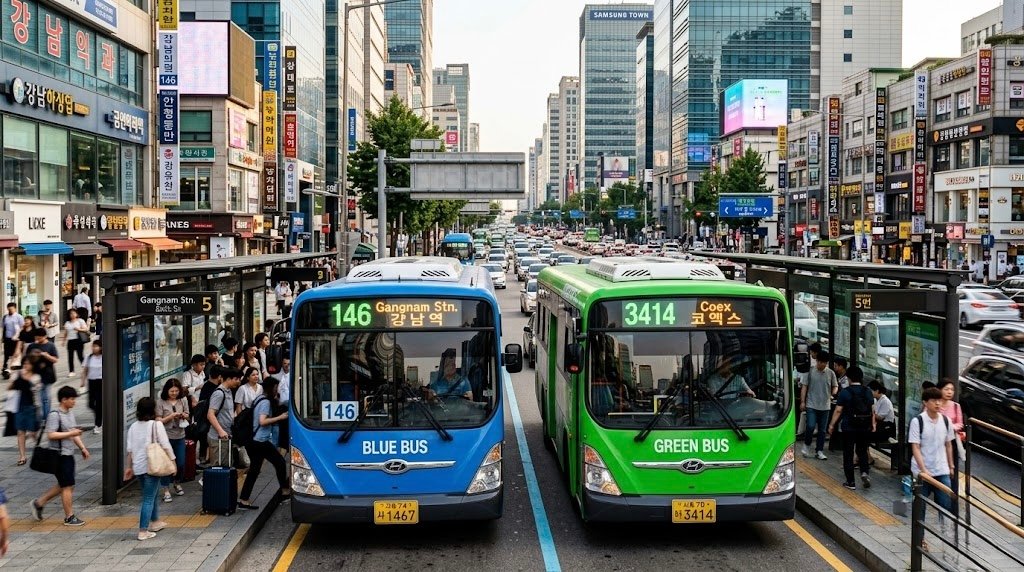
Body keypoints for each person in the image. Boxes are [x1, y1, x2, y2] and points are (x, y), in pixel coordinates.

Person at [30, 386, 89, 527]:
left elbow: (73, 431)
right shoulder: (54, 415)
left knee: (66, 485)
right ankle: (69, 517)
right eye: (72, 399)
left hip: (68, 454)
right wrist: (71, 434)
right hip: (59, 455)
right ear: (64, 400)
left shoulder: (69, 413)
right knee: (67, 485)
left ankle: (39, 503)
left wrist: (82, 447)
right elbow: (51, 434)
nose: (74, 402)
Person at [909, 386, 956, 544]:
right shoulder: (918, 421)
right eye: (933, 400)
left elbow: (948, 444)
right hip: (922, 472)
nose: (937, 403)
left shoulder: (946, 421)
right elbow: (915, 447)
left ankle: (946, 535)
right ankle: (920, 539)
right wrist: (923, 470)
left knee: (945, 503)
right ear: (925, 402)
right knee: (920, 507)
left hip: (941, 470)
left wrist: (951, 467)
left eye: (939, 400)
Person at [124, 397, 173, 541]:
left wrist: (128, 467)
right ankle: (143, 530)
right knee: (148, 498)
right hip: (152, 465)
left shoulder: (133, 426)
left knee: (152, 494)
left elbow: (130, 450)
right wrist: (173, 461)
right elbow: (165, 444)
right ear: (153, 410)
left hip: (139, 467)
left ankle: (156, 522)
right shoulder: (156, 425)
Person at [238, 377, 291, 510]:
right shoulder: (265, 402)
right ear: (271, 388)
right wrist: (280, 417)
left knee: (254, 470)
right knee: (280, 463)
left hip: (254, 441)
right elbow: (262, 421)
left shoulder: (259, 398)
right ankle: (285, 491)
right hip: (260, 441)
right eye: (275, 387)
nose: (277, 390)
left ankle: (243, 500)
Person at [828, 366, 875, 490]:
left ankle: (850, 482)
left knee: (848, 453)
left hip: (849, 427)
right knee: (862, 451)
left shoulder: (845, 392)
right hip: (864, 427)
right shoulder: (868, 391)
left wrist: (832, 425)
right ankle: (865, 472)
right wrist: (873, 424)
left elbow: (838, 410)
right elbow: (872, 410)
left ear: (848, 378)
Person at [800, 351, 839, 460]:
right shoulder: (810, 372)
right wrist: (803, 401)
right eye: (821, 362)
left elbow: (835, 386)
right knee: (811, 426)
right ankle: (807, 445)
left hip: (825, 406)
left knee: (822, 430)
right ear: (817, 361)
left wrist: (832, 394)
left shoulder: (830, 373)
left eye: (825, 363)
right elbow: (804, 387)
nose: (823, 365)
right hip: (811, 404)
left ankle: (819, 450)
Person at [156, 379, 189, 502]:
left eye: (176, 391)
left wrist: (184, 415)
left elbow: (187, 413)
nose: (174, 393)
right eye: (171, 391)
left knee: (180, 462)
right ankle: (165, 489)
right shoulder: (161, 402)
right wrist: (170, 417)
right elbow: (158, 419)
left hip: (180, 435)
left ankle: (176, 482)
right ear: (166, 391)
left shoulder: (183, 400)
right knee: (167, 464)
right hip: (166, 436)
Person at [207, 367, 242, 467]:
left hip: (226, 436)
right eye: (236, 379)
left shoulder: (229, 391)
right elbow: (210, 414)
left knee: (226, 466)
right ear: (228, 379)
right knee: (218, 468)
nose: (238, 382)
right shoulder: (219, 393)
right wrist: (220, 431)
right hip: (217, 438)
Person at [10, 358, 41, 465]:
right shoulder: (18, 375)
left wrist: (25, 379)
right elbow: (10, 388)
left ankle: (38, 447)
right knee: (20, 432)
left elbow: (36, 390)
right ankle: (22, 456)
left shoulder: (36, 377)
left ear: (33, 365)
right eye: (24, 364)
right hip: (20, 406)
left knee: (33, 432)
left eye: (28, 363)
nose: (26, 366)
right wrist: (15, 378)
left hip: (32, 407)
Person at [26, 327, 59, 417]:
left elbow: (55, 359)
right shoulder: (32, 346)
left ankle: (46, 417)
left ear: (45, 336)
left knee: (46, 398)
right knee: (37, 399)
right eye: (36, 338)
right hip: (35, 376)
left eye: (40, 338)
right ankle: (40, 417)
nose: (38, 340)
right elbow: (26, 360)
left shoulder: (50, 345)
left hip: (48, 375)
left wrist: (46, 355)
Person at [80, 340, 103, 434]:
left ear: (101, 347)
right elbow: (85, 369)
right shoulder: (88, 357)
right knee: (90, 404)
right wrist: (82, 381)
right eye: (93, 346)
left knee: (98, 403)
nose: (94, 348)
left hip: (101, 382)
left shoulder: (104, 357)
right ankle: (100, 414)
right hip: (91, 382)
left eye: (96, 346)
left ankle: (98, 424)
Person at [62, 308, 89, 377]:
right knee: (70, 357)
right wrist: (63, 341)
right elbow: (66, 332)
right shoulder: (67, 323)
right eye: (71, 313)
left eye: (74, 313)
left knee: (80, 356)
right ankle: (71, 371)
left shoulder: (80, 321)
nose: (72, 314)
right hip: (70, 341)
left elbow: (86, 329)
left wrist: (78, 329)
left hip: (78, 340)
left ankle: (86, 369)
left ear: (77, 314)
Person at [2, 303, 24, 373]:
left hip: (16, 339)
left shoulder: (19, 317)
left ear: (15, 308)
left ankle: (17, 365)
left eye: (11, 309)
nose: (10, 311)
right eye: (8, 309)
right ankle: (5, 366)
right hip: (7, 338)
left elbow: (22, 327)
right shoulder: (5, 317)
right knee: (6, 353)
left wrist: (19, 336)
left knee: (16, 353)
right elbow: (3, 327)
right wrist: (2, 337)